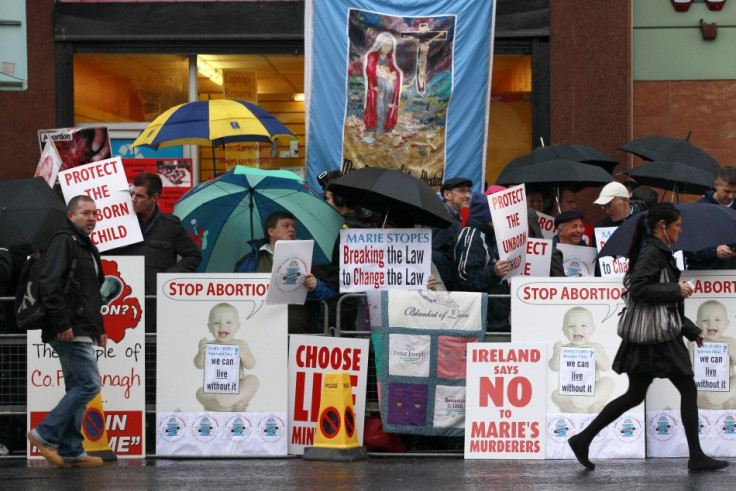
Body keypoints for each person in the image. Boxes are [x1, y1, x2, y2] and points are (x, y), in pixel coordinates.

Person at [567, 203, 729, 472]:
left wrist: (690, 328)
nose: (680, 230)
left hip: (652, 337)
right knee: (687, 389)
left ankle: (582, 439)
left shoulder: (657, 251)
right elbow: (639, 290)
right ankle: (697, 457)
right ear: (662, 226)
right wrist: (675, 290)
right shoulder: (652, 252)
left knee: (635, 394)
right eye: (676, 225)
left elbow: (661, 302)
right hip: (659, 339)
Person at [26, 195, 106, 468]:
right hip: (68, 328)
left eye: (95, 213)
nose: (92, 217)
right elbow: (49, 284)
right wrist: (62, 324)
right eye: (85, 212)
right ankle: (44, 434)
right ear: (71, 216)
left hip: (81, 327)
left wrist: (99, 329)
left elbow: (90, 293)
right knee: (89, 384)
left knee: (77, 386)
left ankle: (72, 451)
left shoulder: (84, 244)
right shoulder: (65, 240)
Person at [108, 172, 202, 331]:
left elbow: (193, 256)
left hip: (156, 304)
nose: (133, 199)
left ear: (155, 198)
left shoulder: (170, 226)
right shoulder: (119, 224)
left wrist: (168, 277)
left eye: (140, 196)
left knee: (154, 352)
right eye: (132, 194)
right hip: (122, 303)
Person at [233, 211, 334, 334]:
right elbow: (236, 294)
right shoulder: (248, 262)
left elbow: (329, 293)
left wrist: (315, 286)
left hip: (298, 335)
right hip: (261, 334)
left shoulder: (306, 260)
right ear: (271, 231)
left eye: (293, 227)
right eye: (286, 226)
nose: (291, 230)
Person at [453, 192, 510, 331]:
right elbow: (465, 276)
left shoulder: (489, 236)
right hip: (480, 321)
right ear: (488, 217)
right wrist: (494, 272)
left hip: (494, 318)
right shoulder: (472, 235)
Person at [194, 303, 259, 412]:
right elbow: (198, 365)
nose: (222, 326)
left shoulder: (241, 344)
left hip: (237, 387)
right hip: (216, 389)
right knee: (199, 393)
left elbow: (251, 364)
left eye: (229, 322)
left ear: (238, 326)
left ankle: (236, 398)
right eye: (216, 323)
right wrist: (201, 353)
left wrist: (244, 355)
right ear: (209, 327)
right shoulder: (208, 346)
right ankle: (230, 406)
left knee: (253, 380)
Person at [548, 307, 614, 413]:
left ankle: (591, 400)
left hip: (593, 389)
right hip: (570, 390)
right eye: (571, 326)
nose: (577, 330)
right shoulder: (564, 349)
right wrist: (556, 356)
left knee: (609, 382)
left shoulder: (596, 347)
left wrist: (599, 358)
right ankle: (586, 408)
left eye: (583, 325)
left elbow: (607, 367)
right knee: (554, 395)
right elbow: (553, 367)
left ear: (592, 330)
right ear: (564, 330)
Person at [689, 300, 736, 410]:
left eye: (717, 319)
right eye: (705, 320)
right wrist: (691, 355)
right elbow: (688, 370)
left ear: (727, 323)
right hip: (704, 394)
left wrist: (733, 354)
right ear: (697, 324)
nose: (711, 323)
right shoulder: (695, 343)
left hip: (726, 394)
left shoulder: (730, 342)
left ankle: (725, 396)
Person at [688, 166, 736, 269]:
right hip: (705, 276)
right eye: (727, 191)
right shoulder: (699, 209)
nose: (731, 196)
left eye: (735, 192)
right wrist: (714, 251)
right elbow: (689, 250)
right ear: (716, 185)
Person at [430, 176, 472, 287]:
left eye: (468, 191)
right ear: (447, 194)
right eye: (462, 191)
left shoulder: (453, 217)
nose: (467, 196)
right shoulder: (442, 219)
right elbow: (434, 254)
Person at [364, 32, 402, 135]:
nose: (387, 48)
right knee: (378, 107)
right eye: (385, 45)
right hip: (378, 86)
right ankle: (377, 130)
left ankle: (386, 127)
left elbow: (393, 68)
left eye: (390, 46)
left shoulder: (389, 57)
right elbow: (370, 70)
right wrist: (374, 86)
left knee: (387, 106)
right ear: (380, 44)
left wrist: (394, 73)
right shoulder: (372, 55)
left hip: (388, 86)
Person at [550, 210, 586, 277]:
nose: (579, 230)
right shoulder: (550, 253)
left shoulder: (587, 250)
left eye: (581, 226)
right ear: (560, 231)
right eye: (574, 226)